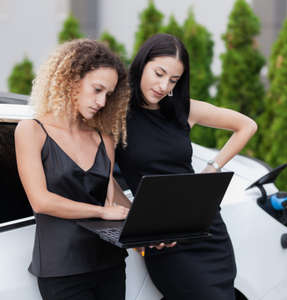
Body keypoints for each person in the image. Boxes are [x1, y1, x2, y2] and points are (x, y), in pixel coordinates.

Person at [115, 33, 258, 300]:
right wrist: (136, 221)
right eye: (159, 73)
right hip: (163, 238)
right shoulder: (117, 114)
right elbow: (105, 175)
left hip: (207, 230)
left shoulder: (183, 109)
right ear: (142, 63)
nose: (163, 85)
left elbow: (247, 126)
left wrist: (211, 169)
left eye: (173, 80)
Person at [15, 39, 131, 300]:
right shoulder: (32, 131)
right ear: (71, 79)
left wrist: (152, 227)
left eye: (109, 95)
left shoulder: (104, 139)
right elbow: (41, 201)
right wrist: (101, 212)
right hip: (62, 270)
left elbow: (110, 195)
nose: (102, 101)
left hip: (110, 264)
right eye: (97, 89)